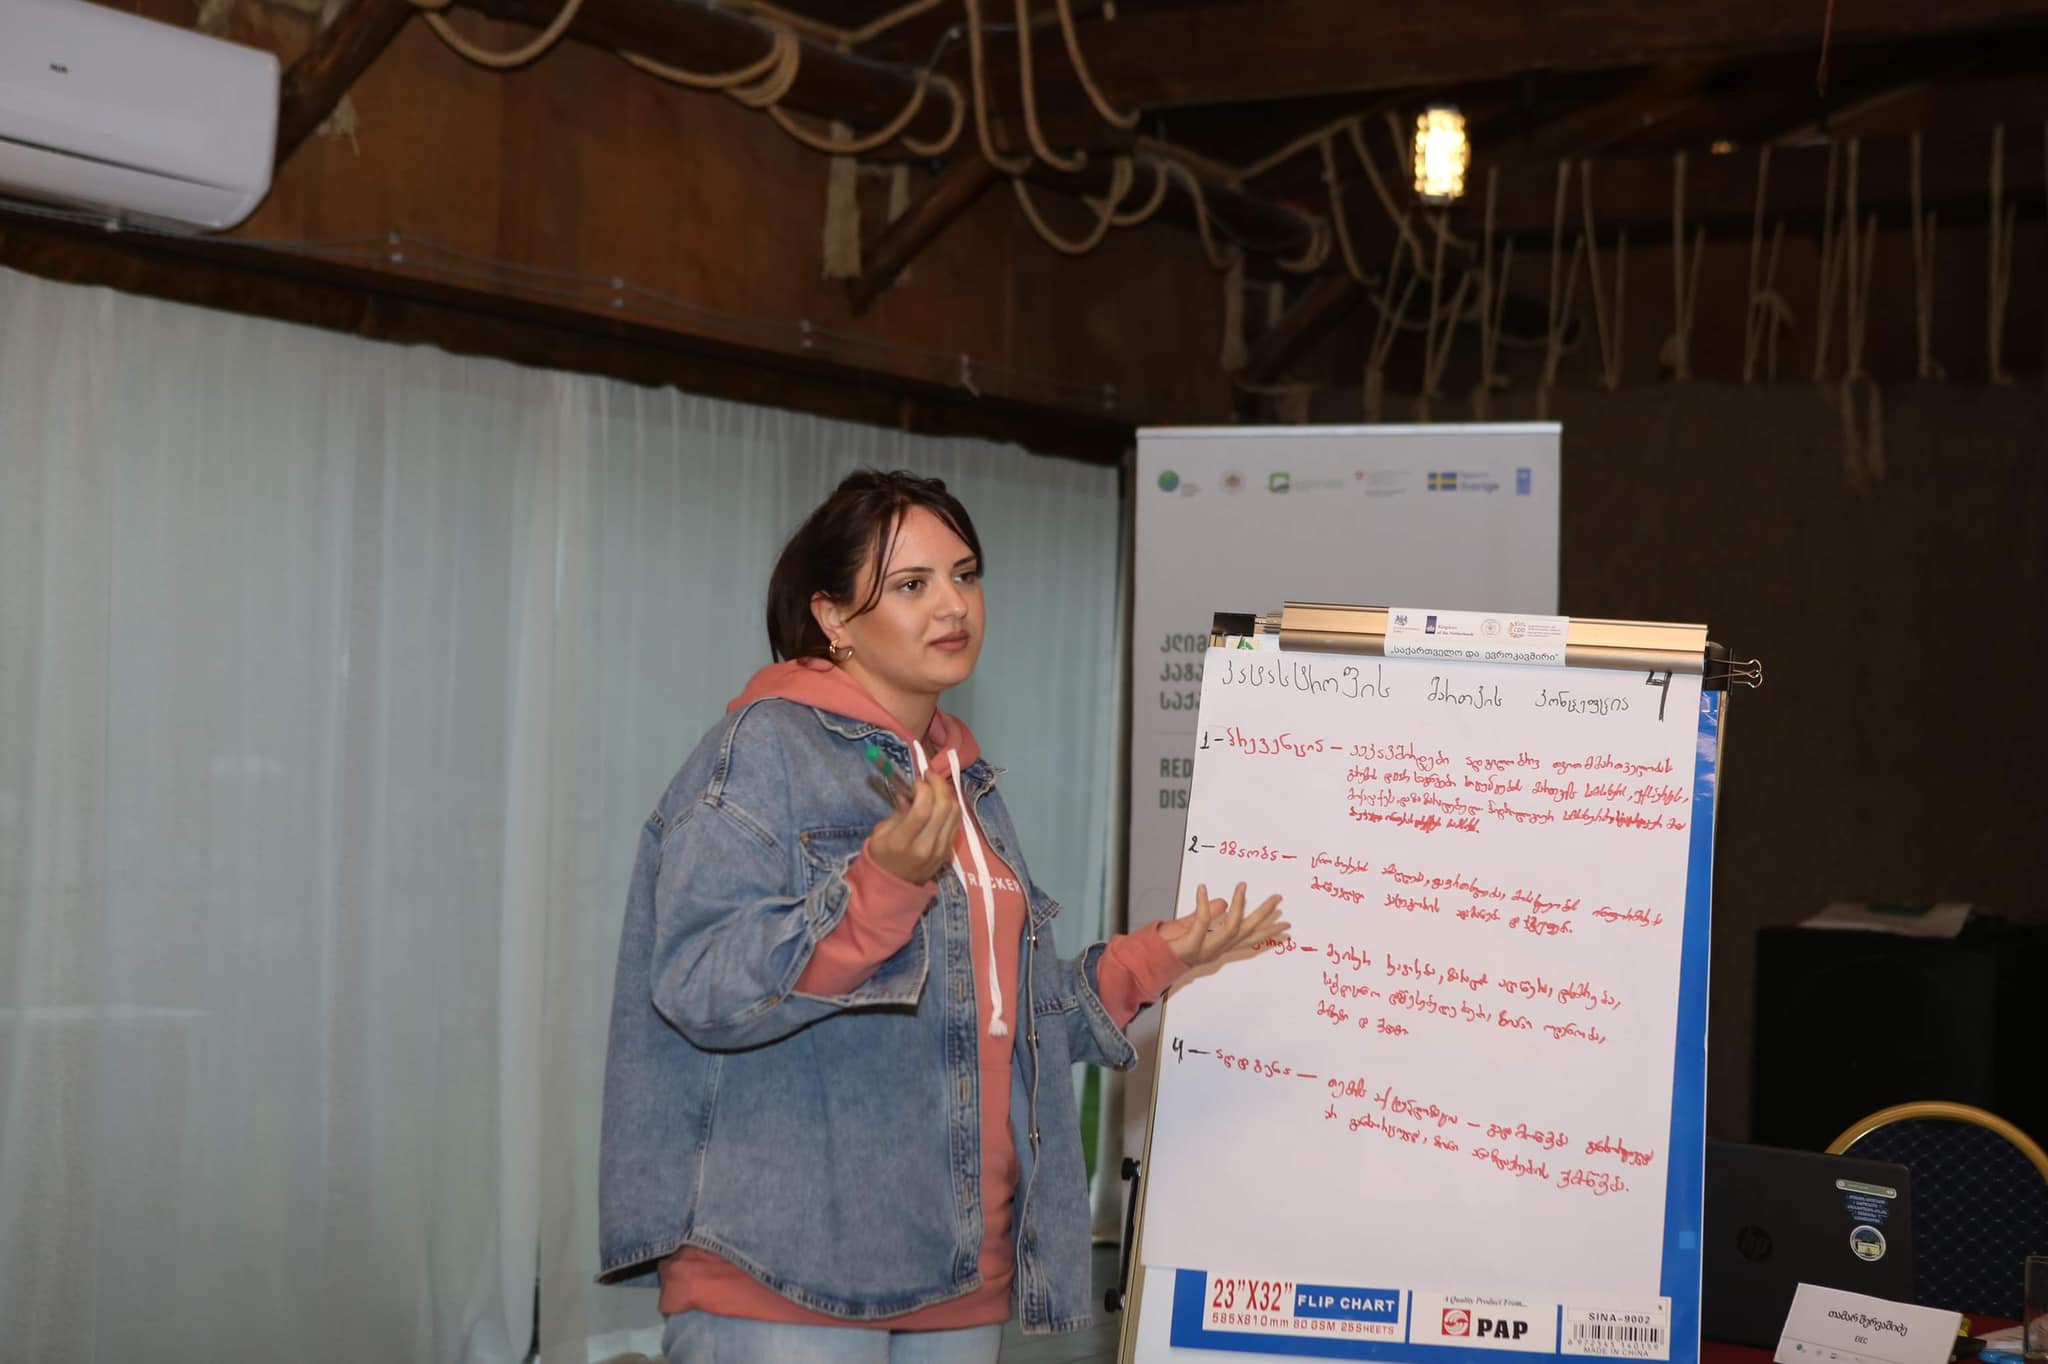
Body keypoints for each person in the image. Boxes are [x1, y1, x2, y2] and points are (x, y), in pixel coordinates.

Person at [598, 468, 1284, 1362]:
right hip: (788, 1269)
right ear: (833, 617)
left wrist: (1154, 959)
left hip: (962, 1270)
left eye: (965, 575)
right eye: (912, 585)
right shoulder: (763, 750)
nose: (954, 605)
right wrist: (878, 886)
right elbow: (701, 987)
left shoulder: (958, 776)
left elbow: (992, 1018)